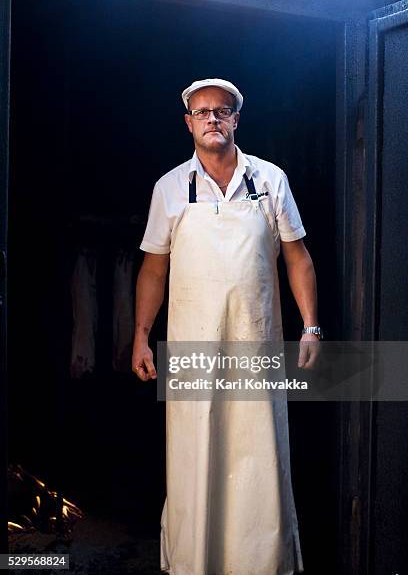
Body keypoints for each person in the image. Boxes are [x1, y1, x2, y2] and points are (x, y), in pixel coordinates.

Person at [132, 78, 321, 575]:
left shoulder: (270, 180)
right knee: (197, 454)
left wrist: (310, 327)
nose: (212, 119)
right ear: (188, 123)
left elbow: (298, 259)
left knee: (259, 454)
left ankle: (261, 564)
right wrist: (140, 336)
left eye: (222, 111)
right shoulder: (171, 187)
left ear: (236, 119)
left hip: (255, 346)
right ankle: (196, 563)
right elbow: (153, 268)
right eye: (202, 112)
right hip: (195, 351)